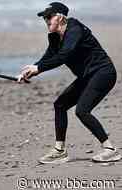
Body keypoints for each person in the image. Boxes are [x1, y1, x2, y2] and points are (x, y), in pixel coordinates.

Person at [18, 2, 121, 164]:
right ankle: (60, 150)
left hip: (103, 73)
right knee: (60, 105)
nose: (46, 20)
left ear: (60, 17)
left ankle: (110, 149)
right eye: (44, 17)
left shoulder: (74, 29)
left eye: (49, 16)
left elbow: (64, 55)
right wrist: (31, 70)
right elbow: (49, 56)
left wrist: (39, 68)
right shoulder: (54, 36)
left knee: (82, 110)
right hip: (87, 76)